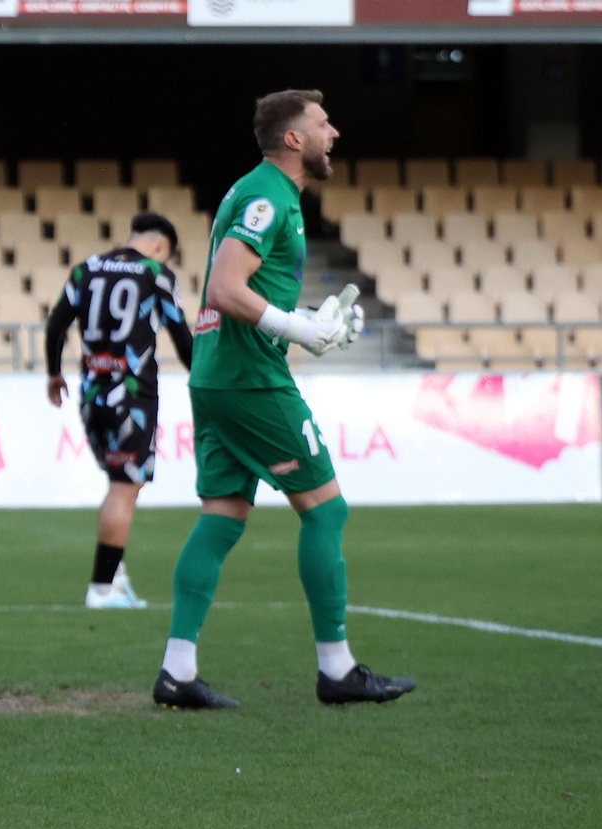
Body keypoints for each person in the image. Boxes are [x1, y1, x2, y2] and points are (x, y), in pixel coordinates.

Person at [153, 88, 413, 710]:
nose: (335, 132)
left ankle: (176, 671)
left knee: (222, 518)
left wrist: (303, 317)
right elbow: (223, 287)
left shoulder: (261, 193)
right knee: (326, 511)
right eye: (323, 124)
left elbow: (241, 289)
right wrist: (298, 328)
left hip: (218, 373)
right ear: (294, 139)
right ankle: (337, 669)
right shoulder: (269, 196)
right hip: (250, 379)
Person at [44, 212, 192, 610]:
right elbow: (180, 334)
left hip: (91, 393)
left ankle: (116, 576)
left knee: (118, 486)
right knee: (124, 490)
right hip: (131, 396)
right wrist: (204, 379)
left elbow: (56, 323)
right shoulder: (155, 273)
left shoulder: (86, 269)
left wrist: (53, 373)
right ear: (161, 245)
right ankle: (102, 587)